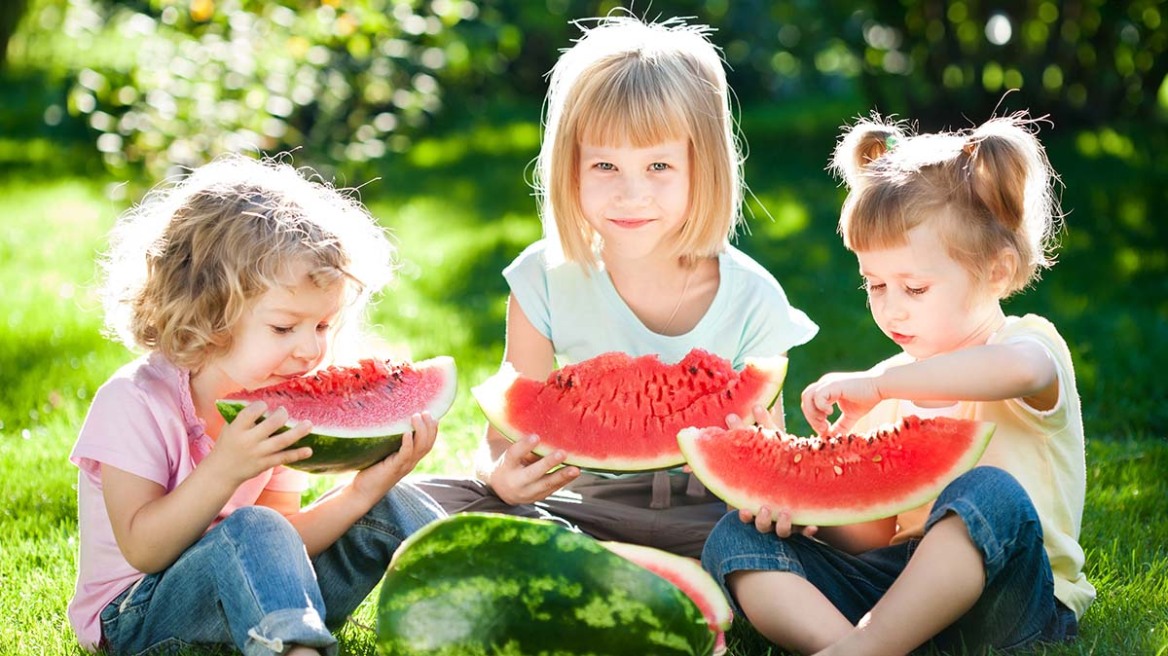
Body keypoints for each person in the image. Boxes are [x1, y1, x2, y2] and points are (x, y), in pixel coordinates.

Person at [417, 14, 817, 560]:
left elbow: (766, 447)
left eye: (658, 165)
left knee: (797, 538)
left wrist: (773, 492)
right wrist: (501, 476)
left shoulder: (753, 298)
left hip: (714, 518)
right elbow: (504, 438)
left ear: (705, 168)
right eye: (605, 164)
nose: (632, 194)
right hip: (578, 505)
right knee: (420, 502)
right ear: (569, 168)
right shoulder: (542, 279)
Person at [701, 113, 1094, 655]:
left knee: (989, 493)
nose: (889, 306)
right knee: (734, 541)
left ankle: (865, 649)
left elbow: (1022, 372)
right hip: (896, 597)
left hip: (1017, 596)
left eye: (914, 287)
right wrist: (800, 502)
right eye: (875, 284)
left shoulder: (1029, 345)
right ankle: (847, 644)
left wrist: (882, 387)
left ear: (998, 272)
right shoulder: (885, 385)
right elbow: (874, 532)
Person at [68, 154, 446, 656]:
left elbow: (283, 545)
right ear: (208, 312)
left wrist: (363, 492)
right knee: (253, 526)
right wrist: (225, 469)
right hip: (137, 616)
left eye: (322, 326)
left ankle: (493, 602)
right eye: (284, 328)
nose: (311, 350)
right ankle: (296, 650)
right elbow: (144, 548)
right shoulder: (133, 402)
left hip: (261, 599)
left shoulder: (278, 408)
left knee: (388, 498)